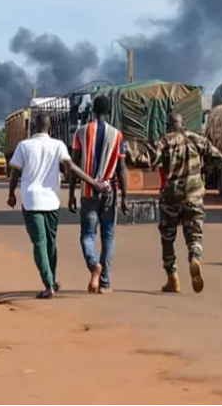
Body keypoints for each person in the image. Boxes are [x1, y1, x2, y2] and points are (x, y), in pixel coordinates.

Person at [9, 113, 108, 299]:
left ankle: (48, 284)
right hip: (52, 202)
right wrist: (92, 182)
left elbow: (15, 174)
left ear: (33, 127)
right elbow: (71, 167)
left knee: (40, 243)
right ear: (50, 127)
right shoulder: (58, 145)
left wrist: (11, 194)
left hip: (31, 202)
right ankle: (51, 281)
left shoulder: (24, 146)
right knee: (50, 243)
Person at [151, 113, 222, 294]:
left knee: (167, 237)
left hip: (171, 197)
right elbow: (221, 160)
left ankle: (173, 278)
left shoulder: (165, 141)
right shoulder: (198, 140)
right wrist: (202, 172)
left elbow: (151, 160)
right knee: (194, 235)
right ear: (183, 124)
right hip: (194, 196)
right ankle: (195, 257)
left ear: (169, 126)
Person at [70, 95, 128, 294]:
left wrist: (71, 193)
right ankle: (105, 283)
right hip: (109, 193)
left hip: (88, 192)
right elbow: (121, 168)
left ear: (92, 111)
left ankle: (94, 264)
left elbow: (74, 165)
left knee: (87, 235)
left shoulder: (81, 132)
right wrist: (125, 197)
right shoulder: (118, 135)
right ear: (109, 112)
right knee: (108, 237)